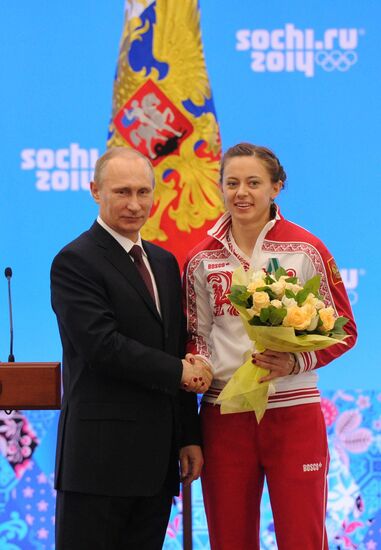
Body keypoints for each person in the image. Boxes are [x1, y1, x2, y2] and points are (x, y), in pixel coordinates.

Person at [183, 143, 357, 550]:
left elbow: (346, 330)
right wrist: (201, 363)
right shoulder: (199, 259)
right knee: (230, 539)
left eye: (254, 183)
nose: (241, 193)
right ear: (220, 187)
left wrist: (293, 363)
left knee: (302, 537)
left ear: (276, 187)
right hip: (224, 413)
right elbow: (197, 334)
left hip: (293, 414)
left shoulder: (306, 249)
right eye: (232, 183)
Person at [51, 147, 212, 550]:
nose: (135, 204)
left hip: (156, 466)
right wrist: (179, 371)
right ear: (94, 191)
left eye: (144, 192)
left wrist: (188, 436)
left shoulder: (163, 261)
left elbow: (175, 346)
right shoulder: (75, 261)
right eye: (122, 192)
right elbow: (102, 347)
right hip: (98, 465)